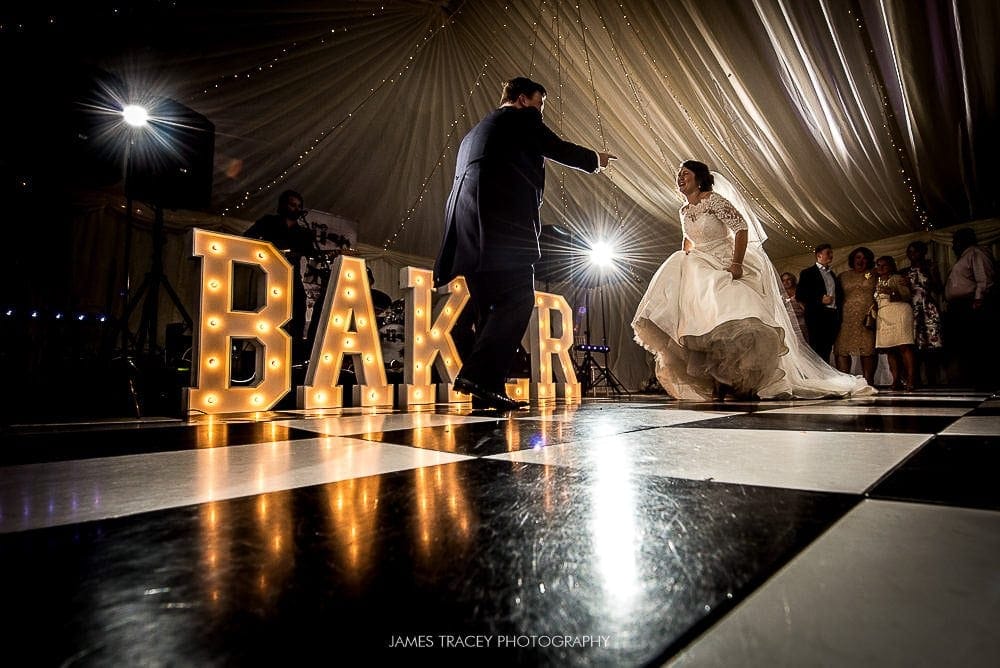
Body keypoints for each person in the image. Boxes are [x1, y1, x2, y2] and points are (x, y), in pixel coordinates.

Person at [433, 77, 617, 411]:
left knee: (489, 311)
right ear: (522, 100)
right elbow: (557, 147)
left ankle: (482, 391)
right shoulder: (520, 119)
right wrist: (595, 159)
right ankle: (476, 376)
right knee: (518, 300)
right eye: (540, 104)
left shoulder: (474, 132)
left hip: (467, 235)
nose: (541, 112)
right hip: (501, 233)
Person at [631, 160, 873, 401]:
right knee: (698, 325)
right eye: (678, 174)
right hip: (698, 266)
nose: (679, 177)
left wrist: (736, 263)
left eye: (685, 173)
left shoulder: (713, 200)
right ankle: (717, 382)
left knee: (733, 317)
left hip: (723, 262)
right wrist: (685, 261)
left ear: (699, 177)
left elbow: (741, 227)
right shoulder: (683, 210)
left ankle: (739, 381)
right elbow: (688, 240)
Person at [243, 189, 318, 345]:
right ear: (283, 205)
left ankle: (295, 348)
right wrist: (268, 252)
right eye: (292, 205)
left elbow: (313, 254)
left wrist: (333, 254)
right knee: (268, 314)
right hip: (269, 274)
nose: (296, 209)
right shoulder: (268, 222)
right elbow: (247, 239)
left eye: (299, 206)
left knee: (298, 309)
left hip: (292, 278)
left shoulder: (303, 232)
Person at [943, 227, 996, 389]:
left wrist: (978, 300)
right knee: (963, 345)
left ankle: (984, 381)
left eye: (955, 242)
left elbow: (984, 278)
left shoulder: (976, 253)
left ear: (964, 240)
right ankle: (969, 380)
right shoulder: (962, 258)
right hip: (959, 307)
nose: (953, 246)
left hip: (972, 304)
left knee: (977, 344)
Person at [833, 246, 877, 385]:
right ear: (852, 259)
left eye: (864, 258)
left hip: (867, 317)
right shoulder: (843, 276)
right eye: (858, 257)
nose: (861, 260)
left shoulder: (874, 274)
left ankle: (868, 382)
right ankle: (845, 383)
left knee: (867, 348)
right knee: (842, 348)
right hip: (846, 317)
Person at [903, 240, 944, 385]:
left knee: (931, 344)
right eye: (910, 251)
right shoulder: (905, 272)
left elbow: (939, 289)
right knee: (914, 344)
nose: (912, 254)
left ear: (922, 252)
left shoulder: (930, 267)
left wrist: (932, 274)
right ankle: (916, 379)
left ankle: (933, 379)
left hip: (928, 308)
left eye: (915, 251)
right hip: (912, 309)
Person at [873, 255, 916, 391]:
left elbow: (907, 296)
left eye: (884, 265)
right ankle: (895, 379)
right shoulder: (877, 280)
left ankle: (910, 379)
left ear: (891, 266)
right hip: (884, 315)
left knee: (904, 347)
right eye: (878, 265)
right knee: (889, 349)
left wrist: (891, 291)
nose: (880, 268)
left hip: (899, 312)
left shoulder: (897, 278)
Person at [796, 243, 842, 364]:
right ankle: (819, 376)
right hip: (817, 316)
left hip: (832, 315)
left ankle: (826, 373)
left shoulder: (832, 274)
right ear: (819, 255)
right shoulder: (808, 273)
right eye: (828, 253)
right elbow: (800, 295)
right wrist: (819, 299)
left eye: (831, 253)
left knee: (827, 348)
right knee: (817, 347)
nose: (831, 255)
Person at [780, 272, 809, 342]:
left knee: (806, 341)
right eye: (783, 280)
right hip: (788, 322)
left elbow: (807, 308)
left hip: (802, 321)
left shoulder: (800, 291)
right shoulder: (781, 293)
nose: (786, 282)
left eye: (788, 279)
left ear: (793, 280)